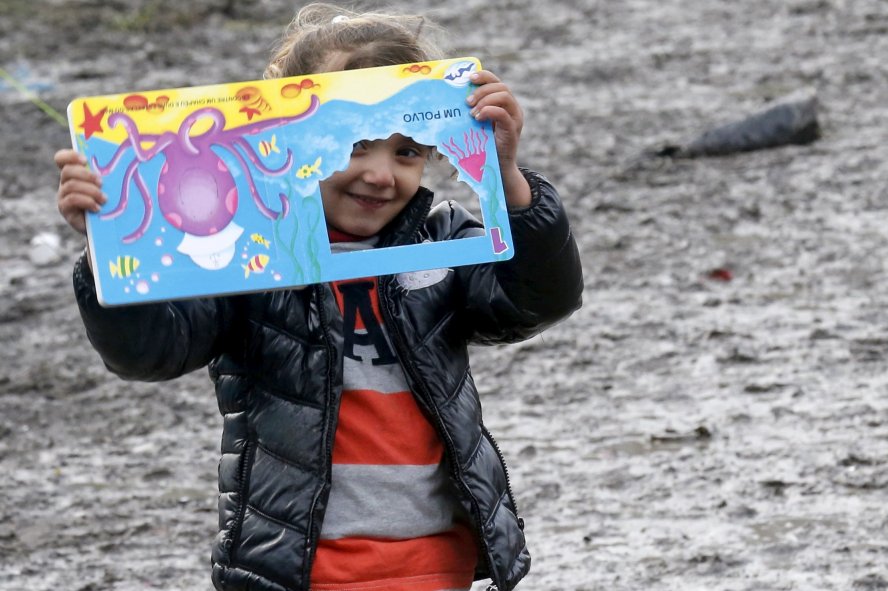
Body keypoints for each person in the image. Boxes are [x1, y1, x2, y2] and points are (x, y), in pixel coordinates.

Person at [54, 4, 583, 591]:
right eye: (353, 144)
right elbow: (150, 351)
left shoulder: (444, 242)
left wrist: (509, 178)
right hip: (302, 568)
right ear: (281, 140)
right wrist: (110, 249)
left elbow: (537, 300)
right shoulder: (245, 255)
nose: (381, 174)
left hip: (439, 563)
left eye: (407, 150)